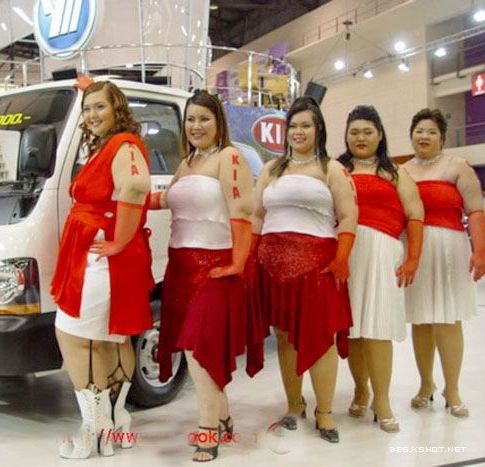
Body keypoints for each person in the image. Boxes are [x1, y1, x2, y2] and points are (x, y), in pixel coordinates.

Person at [152, 89, 264, 462]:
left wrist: (237, 263)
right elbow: (166, 199)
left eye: (204, 118)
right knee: (195, 352)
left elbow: (242, 211)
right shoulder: (187, 163)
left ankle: (208, 430)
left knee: (200, 353)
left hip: (216, 270)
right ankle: (224, 417)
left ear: (218, 122)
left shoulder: (229, 157)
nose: (196, 126)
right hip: (180, 269)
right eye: (191, 119)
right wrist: (123, 199)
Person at [50, 79, 154, 459]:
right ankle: (115, 424)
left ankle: (94, 431)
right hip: (100, 257)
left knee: (75, 336)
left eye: (100, 107)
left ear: (117, 109)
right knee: (111, 339)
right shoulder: (109, 145)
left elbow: (136, 186)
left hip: (102, 259)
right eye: (87, 108)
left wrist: (120, 240)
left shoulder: (123, 143)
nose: (92, 114)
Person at [252, 96, 358, 444]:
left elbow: (349, 215)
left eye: (305, 125)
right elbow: (256, 215)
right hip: (273, 266)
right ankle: (294, 404)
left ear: (318, 129)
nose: (298, 131)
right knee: (284, 335)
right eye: (293, 125)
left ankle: (324, 410)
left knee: (322, 337)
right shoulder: (271, 169)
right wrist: (250, 255)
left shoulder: (332, 169)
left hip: (318, 266)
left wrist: (342, 258)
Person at [337, 105, 424, 433]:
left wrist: (413, 258)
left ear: (380, 135)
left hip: (383, 255)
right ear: (346, 136)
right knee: (353, 330)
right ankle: (361, 390)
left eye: (367, 131)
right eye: (354, 132)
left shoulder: (395, 171)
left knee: (378, 329)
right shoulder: (336, 169)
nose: (360, 137)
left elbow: (415, 213)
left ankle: (382, 400)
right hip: (344, 255)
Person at [403, 108, 485, 418]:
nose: (424, 136)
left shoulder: (457, 166)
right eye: (419, 131)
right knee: (421, 319)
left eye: (431, 131)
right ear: (411, 136)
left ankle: (453, 389)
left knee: (448, 320)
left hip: (450, 248)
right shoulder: (402, 171)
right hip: (414, 249)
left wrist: (480, 250)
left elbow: (475, 209)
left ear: (442, 138)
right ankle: (426, 384)